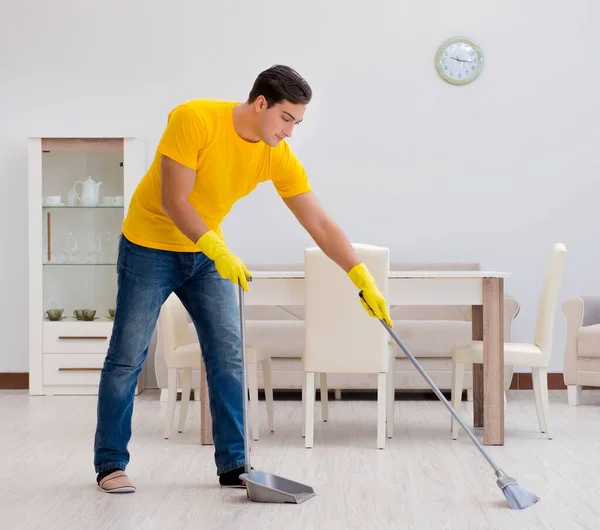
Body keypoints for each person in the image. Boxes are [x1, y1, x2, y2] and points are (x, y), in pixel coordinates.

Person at [93, 64, 393, 493]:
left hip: (205, 254)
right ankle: (110, 464)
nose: (290, 131)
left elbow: (319, 223)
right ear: (260, 103)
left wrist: (359, 275)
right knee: (126, 356)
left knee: (228, 355)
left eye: (297, 122)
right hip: (149, 247)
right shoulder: (194, 119)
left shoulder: (275, 155)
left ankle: (234, 464)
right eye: (286, 118)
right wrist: (217, 247)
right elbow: (174, 200)